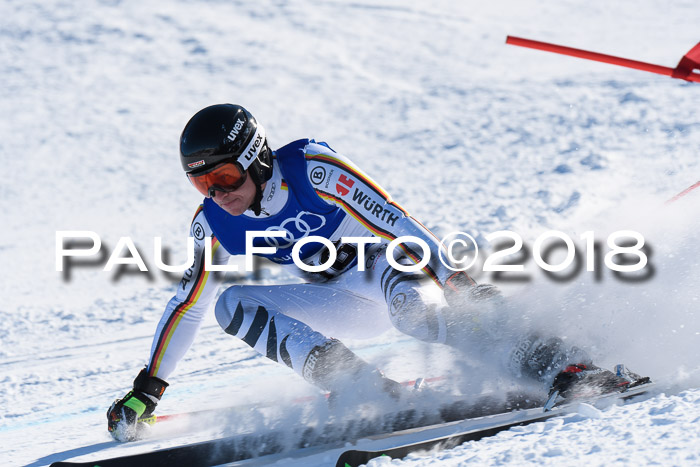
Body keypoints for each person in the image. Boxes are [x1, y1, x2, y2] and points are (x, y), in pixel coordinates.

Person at [107, 104, 636, 439]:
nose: (219, 193)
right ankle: (363, 388)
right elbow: (188, 306)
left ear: (256, 159)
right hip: (343, 300)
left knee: (413, 314)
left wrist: (455, 281)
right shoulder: (213, 225)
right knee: (229, 303)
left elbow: (397, 222)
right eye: (203, 185)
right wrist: (148, 388)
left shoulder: (313, 170)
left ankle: (563, 365)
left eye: (224, 176)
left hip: (390, 268)